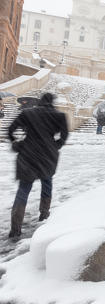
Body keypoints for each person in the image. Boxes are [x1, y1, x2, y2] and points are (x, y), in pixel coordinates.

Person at [7, 93, 68, 238]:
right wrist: (55, 146)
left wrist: (15, 143)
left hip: (28, 154)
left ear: (40, 101)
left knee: (24, 189)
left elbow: (10, 130)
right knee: (47, 183)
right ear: (52, 102)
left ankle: (15, 228)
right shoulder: (59, 116)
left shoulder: (28, 113)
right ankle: (44, 214)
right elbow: (64, 136)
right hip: (48, 156)